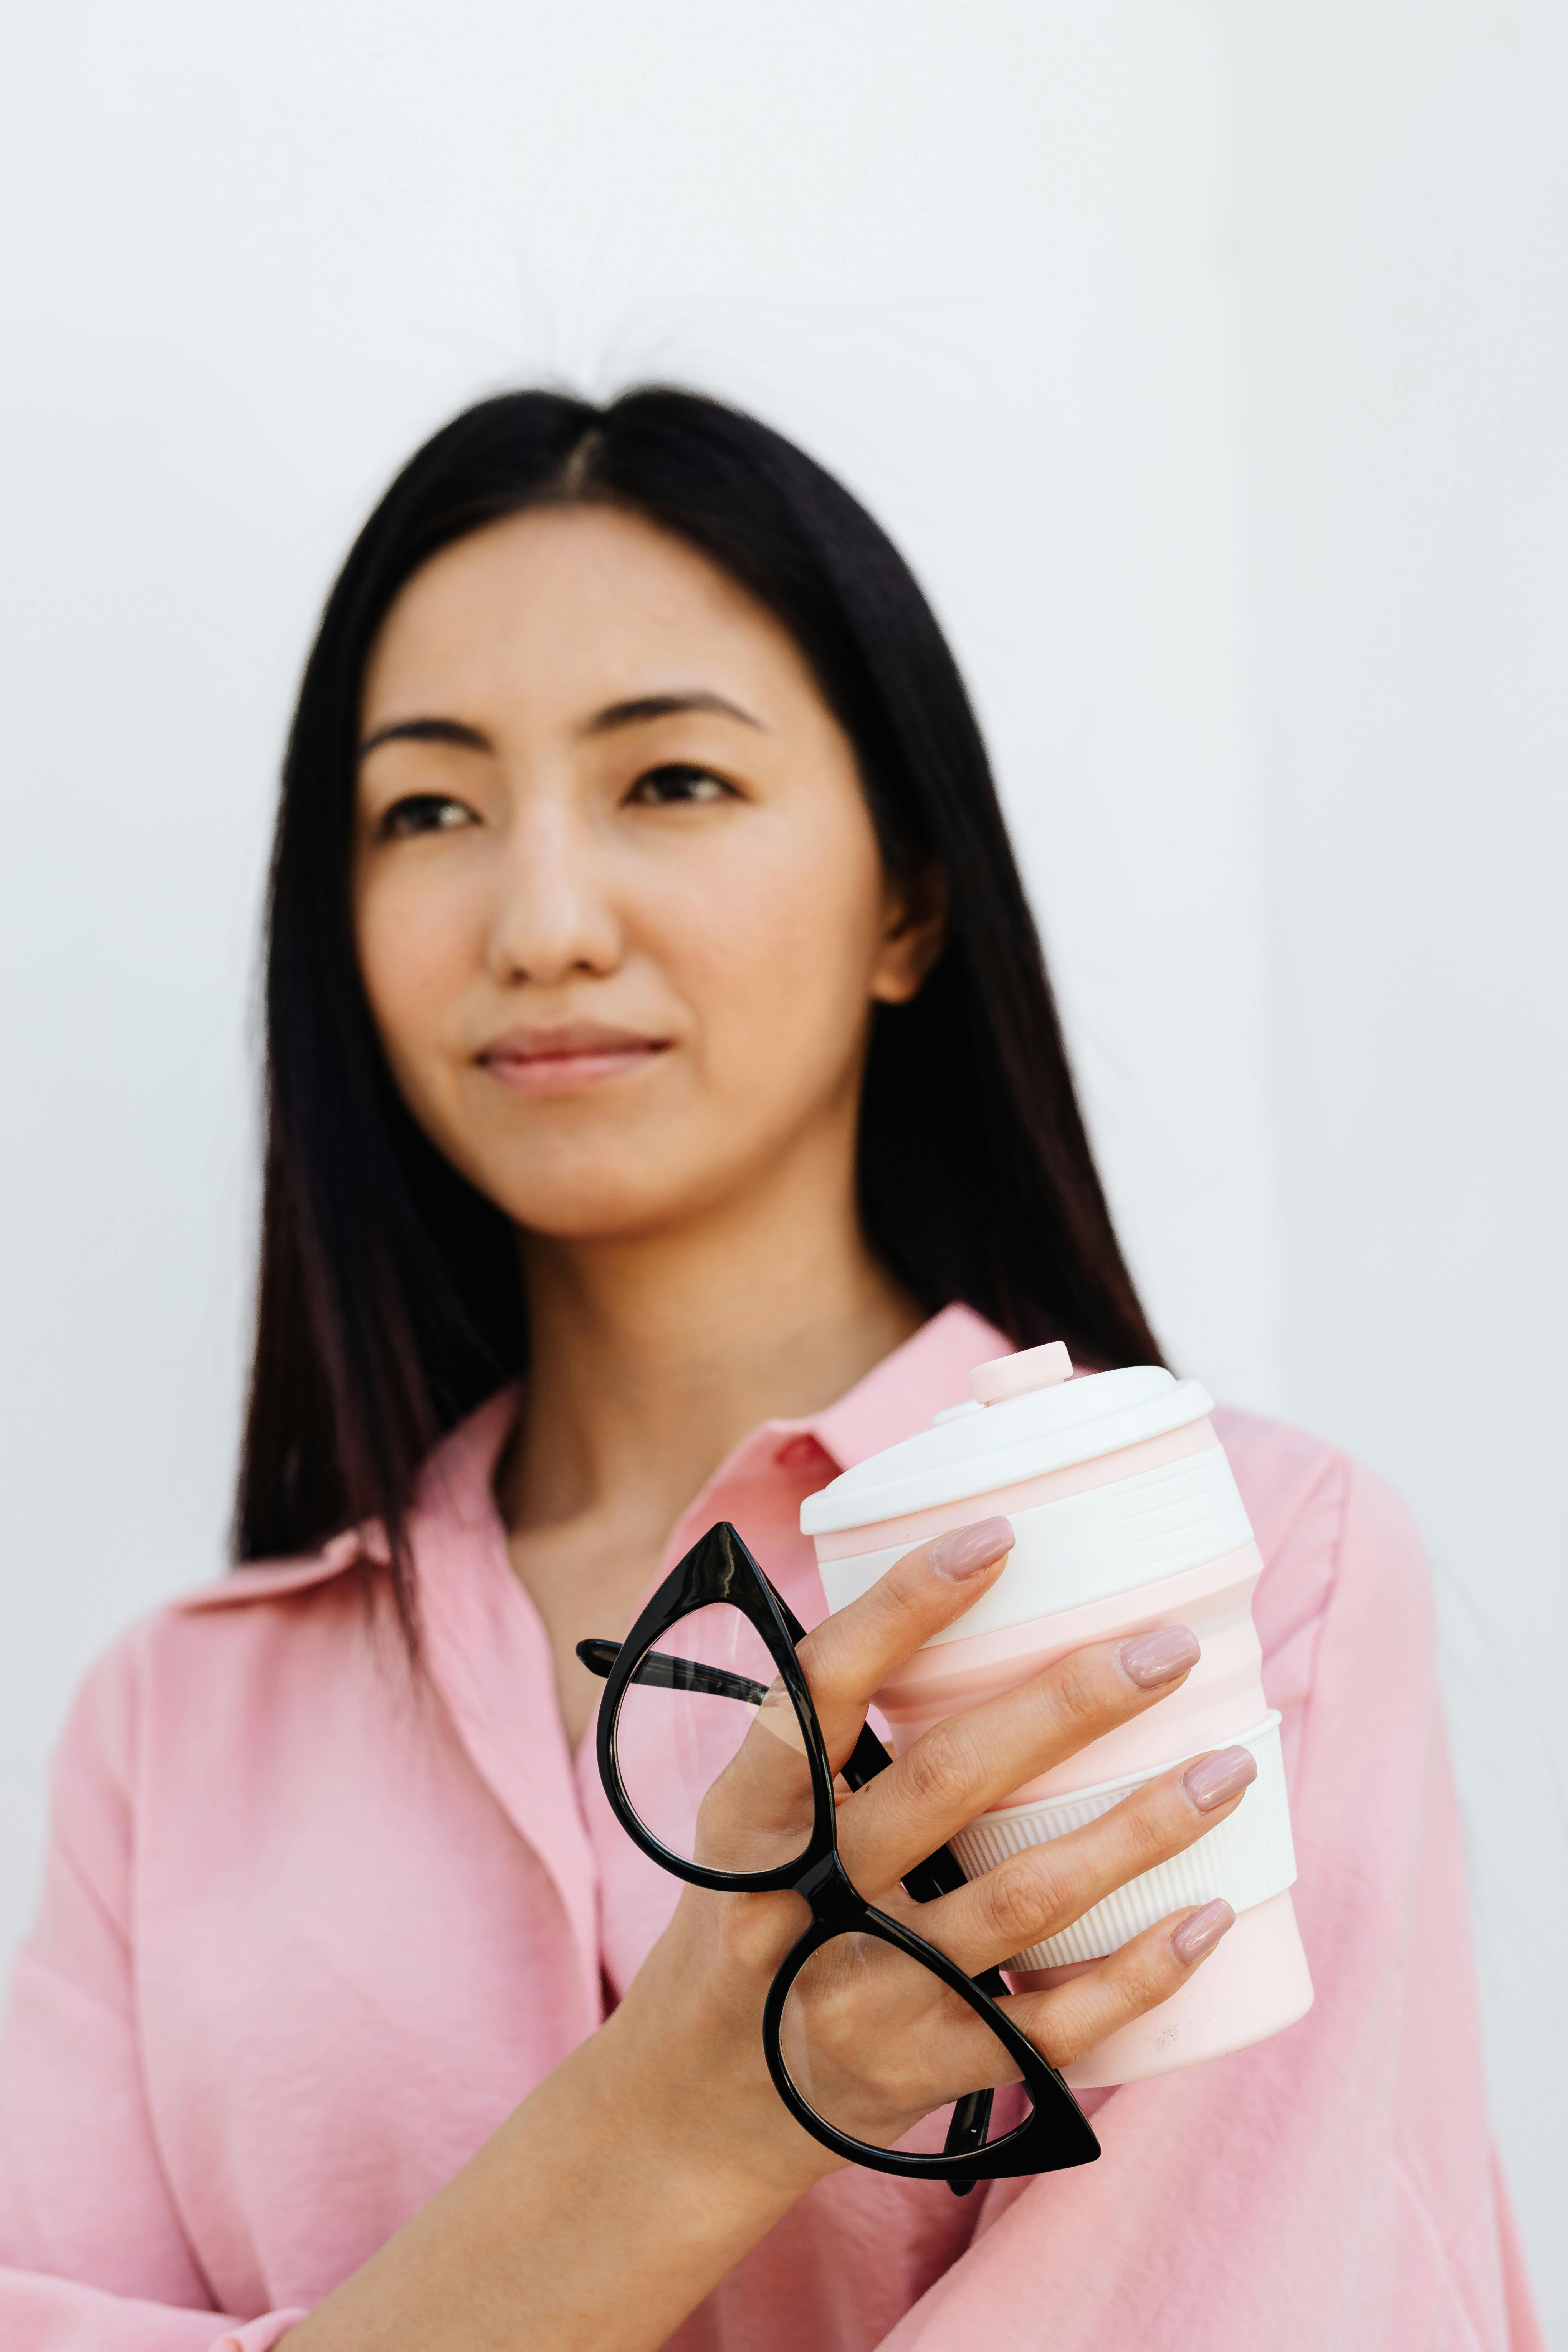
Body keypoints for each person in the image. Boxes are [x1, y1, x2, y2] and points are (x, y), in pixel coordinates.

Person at [0, 390, 1540, 2352]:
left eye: (672, 784)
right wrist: (684, 2118)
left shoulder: (1232, 1571)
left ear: (907, 895)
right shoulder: (175, 1719)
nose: (542, 923)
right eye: (429, 810)